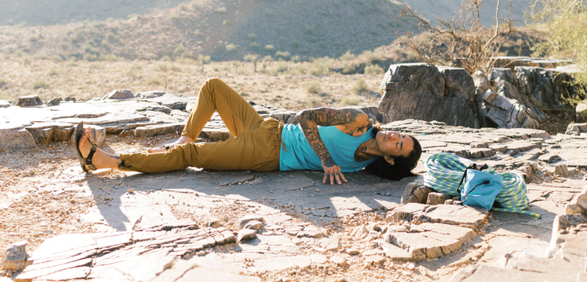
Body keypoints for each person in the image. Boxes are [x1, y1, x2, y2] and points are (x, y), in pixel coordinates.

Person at [75, 78, 422, 184]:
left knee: (192, 160)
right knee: (213, 88)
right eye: (400, 134)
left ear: (393, 161)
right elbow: (304, 116)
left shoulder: (364, 168)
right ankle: (186, 134)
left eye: (399, 144)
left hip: (268, 155)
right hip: (269, 130)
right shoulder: (359, 120)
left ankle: (107, 161)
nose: (394, 136)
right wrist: (327, 159)